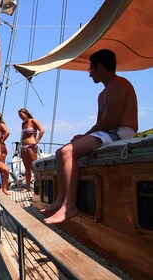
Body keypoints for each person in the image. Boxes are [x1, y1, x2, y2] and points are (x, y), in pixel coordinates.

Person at [43, 49, 138, 224]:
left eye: (90, 69)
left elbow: (112, 120)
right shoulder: (102, 94)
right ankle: (61, 200)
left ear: (99, 67)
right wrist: (84, 136)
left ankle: (69, 206)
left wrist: (85, 136)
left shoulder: (120, 84)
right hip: (108, 132)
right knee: (60, 153)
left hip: (120, 132)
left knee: (66, 152)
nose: (89, 74)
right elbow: (101, 124)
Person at [18, 108, 45, 192]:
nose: (21, 117)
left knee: (34, 167)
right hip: (23, 147)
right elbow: (23, 135)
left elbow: (42, 130)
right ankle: (28, 187)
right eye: (19, 116)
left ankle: (40, 187)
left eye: (22, 115)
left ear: (26, 113)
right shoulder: (23, 124)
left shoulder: (33, 121)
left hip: (31, 146)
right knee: (27, 168)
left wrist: (36, 141)